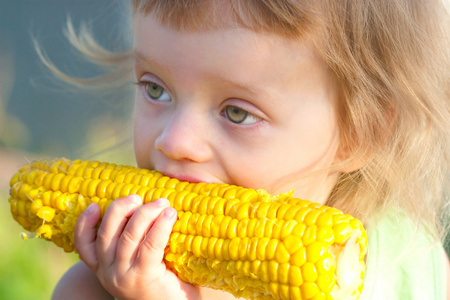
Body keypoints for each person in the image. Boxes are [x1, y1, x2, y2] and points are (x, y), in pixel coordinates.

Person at [47, 0, 450, 299]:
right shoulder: (92, 290)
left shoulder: (413, 267)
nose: (174, 141)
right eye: (156, 88)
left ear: (359, 133)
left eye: (237, 113)